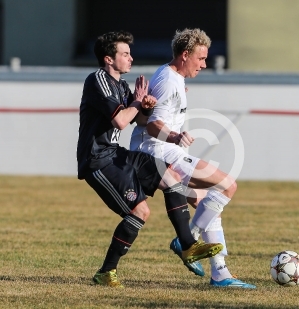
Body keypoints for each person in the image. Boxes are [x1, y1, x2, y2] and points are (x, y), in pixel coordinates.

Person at [76, 30, 223, 288]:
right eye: (125, 54)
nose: (131, 58)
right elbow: (121, 121)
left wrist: (145, 106)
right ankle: (106, 272)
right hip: (97, 160)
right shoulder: (97, 79)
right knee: (140, 211)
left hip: (116, 154)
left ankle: (188, 246)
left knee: (171, 175)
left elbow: (139, 121)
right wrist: (136, 102)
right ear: (109, 59)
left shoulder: (121, 85)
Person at [130, 28, 256, 289]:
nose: (205, 64)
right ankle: (188, 239)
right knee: (227, 185)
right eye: (200, 58)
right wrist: (176, 136)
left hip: (165, 152)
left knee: (208, 206)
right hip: (158, 154)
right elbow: (152, 126)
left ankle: (220, 274)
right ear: (185, 55)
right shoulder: (167, 80)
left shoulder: (173, 78)